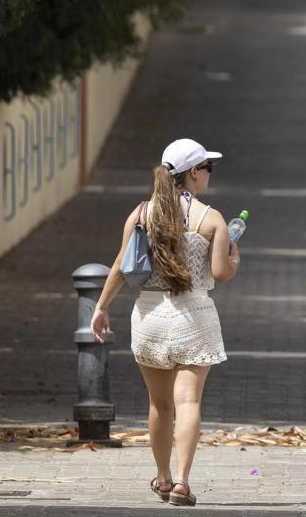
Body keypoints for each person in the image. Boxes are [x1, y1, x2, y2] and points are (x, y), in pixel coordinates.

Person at [89, 138, 241, 507]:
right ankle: (183, 484)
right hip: (194, 316)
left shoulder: (141, 213)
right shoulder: (211, 218)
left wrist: (101, 307)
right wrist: (234, 255)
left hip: (150, 316)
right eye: (207, 167)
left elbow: (121, 267)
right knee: (188, 402)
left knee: (160, 405)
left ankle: (162, 476)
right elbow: (220, 273)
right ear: (192, 172)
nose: (208, 174)